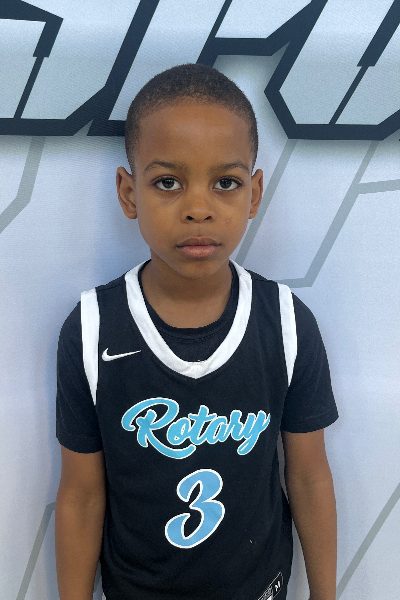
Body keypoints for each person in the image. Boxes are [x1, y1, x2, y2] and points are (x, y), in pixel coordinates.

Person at [55, 63, 338, 600]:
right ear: (128, 192)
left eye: (225, 183)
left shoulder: (286, 322)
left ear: (254, 193)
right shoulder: (91, 328)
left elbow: (307, 476)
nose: (199, 209)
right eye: (168, 182)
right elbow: (82, 497)